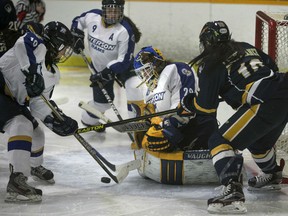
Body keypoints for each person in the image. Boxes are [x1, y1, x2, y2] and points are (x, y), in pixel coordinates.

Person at [177, 20, 288, 213]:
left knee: (219, 140)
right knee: (258, 143)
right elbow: (271, 66)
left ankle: (232, 191)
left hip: (266, 100)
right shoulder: (245, 47)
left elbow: (205, 109)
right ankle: (272, 174)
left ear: (206, 41)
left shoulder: (210, 63)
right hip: (283, 87)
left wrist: (188, 103)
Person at [0, 21, 78, 203]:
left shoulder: (53, 74)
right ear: (54, 43)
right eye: (63, 47)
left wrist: (55, 120)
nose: (64, 53)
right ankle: (17, 181)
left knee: (36, 131)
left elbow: (37, 103)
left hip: (9, 100)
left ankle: (32, 166)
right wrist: (32, 70)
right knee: (21, 124)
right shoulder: (37, 44)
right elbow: (21, 44)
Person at [132, 46, 219, 184]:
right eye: (141, 73)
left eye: (146, 70)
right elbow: (156, 116)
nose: (145, 76)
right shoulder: (148, 91)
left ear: (157, 62)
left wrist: (167, 126)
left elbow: (186, 105)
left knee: (159, 138)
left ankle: (197, 145)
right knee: (148, 139)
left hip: (196, 125)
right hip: (175, 132)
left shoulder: (176, 69)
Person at [71, 0, 145, 130]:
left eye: (116, 11)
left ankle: (137, 126)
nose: (112, 15)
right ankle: (89, 118)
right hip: (99, 66)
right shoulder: (93, 16)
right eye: (110, 10)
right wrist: (76, 34)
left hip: (122, 66)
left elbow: (124, 61)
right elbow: (78, 20)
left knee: (134, 86)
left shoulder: (124, 31)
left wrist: (107, 73)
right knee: (102, 105)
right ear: (103, 10)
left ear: (121, 12)